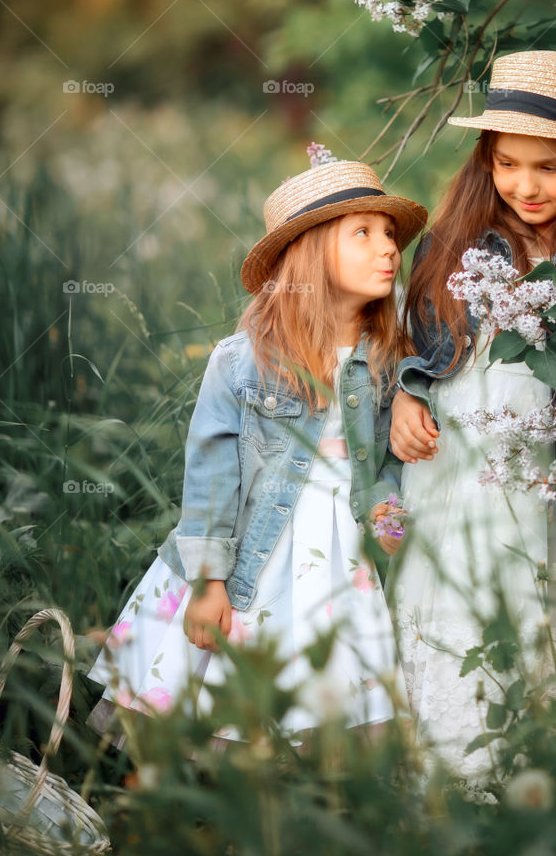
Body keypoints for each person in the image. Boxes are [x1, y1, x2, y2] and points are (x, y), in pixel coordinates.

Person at [86, 153, 428, 748]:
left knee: (344, 672)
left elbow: (388, 464)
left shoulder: (395, 352)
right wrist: (209, 581)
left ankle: (326, 810)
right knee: (252, 661)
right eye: (364, 233)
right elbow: (212, 477)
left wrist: (389, 514)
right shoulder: (242, 360)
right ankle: (233, 805)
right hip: (263, 541)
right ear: (311, 254)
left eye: (390, 234)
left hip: (346, 544)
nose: (389, 249)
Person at [386, 51, 556, 783]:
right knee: (459, 597)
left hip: (555, 470)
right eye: (507, 164)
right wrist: (405, 396)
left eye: (549, 168)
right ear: (485, 160)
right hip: (459, 463)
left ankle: (542, 770)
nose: (524, 186)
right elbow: (415, 347)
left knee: (549, 599)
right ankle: (451, 774)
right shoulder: (452, 245)